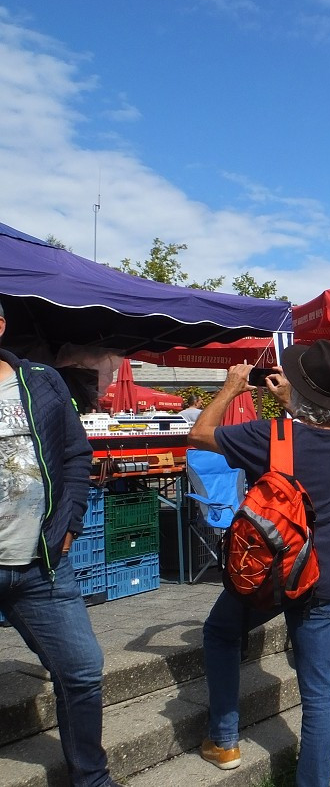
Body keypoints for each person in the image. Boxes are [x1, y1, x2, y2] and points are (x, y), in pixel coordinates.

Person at [191, 341, 330, 784]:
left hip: (272, 568)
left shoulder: (270, 436)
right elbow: (317, 425)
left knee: (221, 633)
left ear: (299, 392)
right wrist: (296, 403)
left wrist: (229, 389)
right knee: (319, 695)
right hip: (325, 572)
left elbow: (198, 435)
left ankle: (224, 740)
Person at [0, 303, 123, 787]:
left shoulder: (41, 380)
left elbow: (76, 453)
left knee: (83, 670)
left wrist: (69, 525)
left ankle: (90, 778)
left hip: (42, 565)